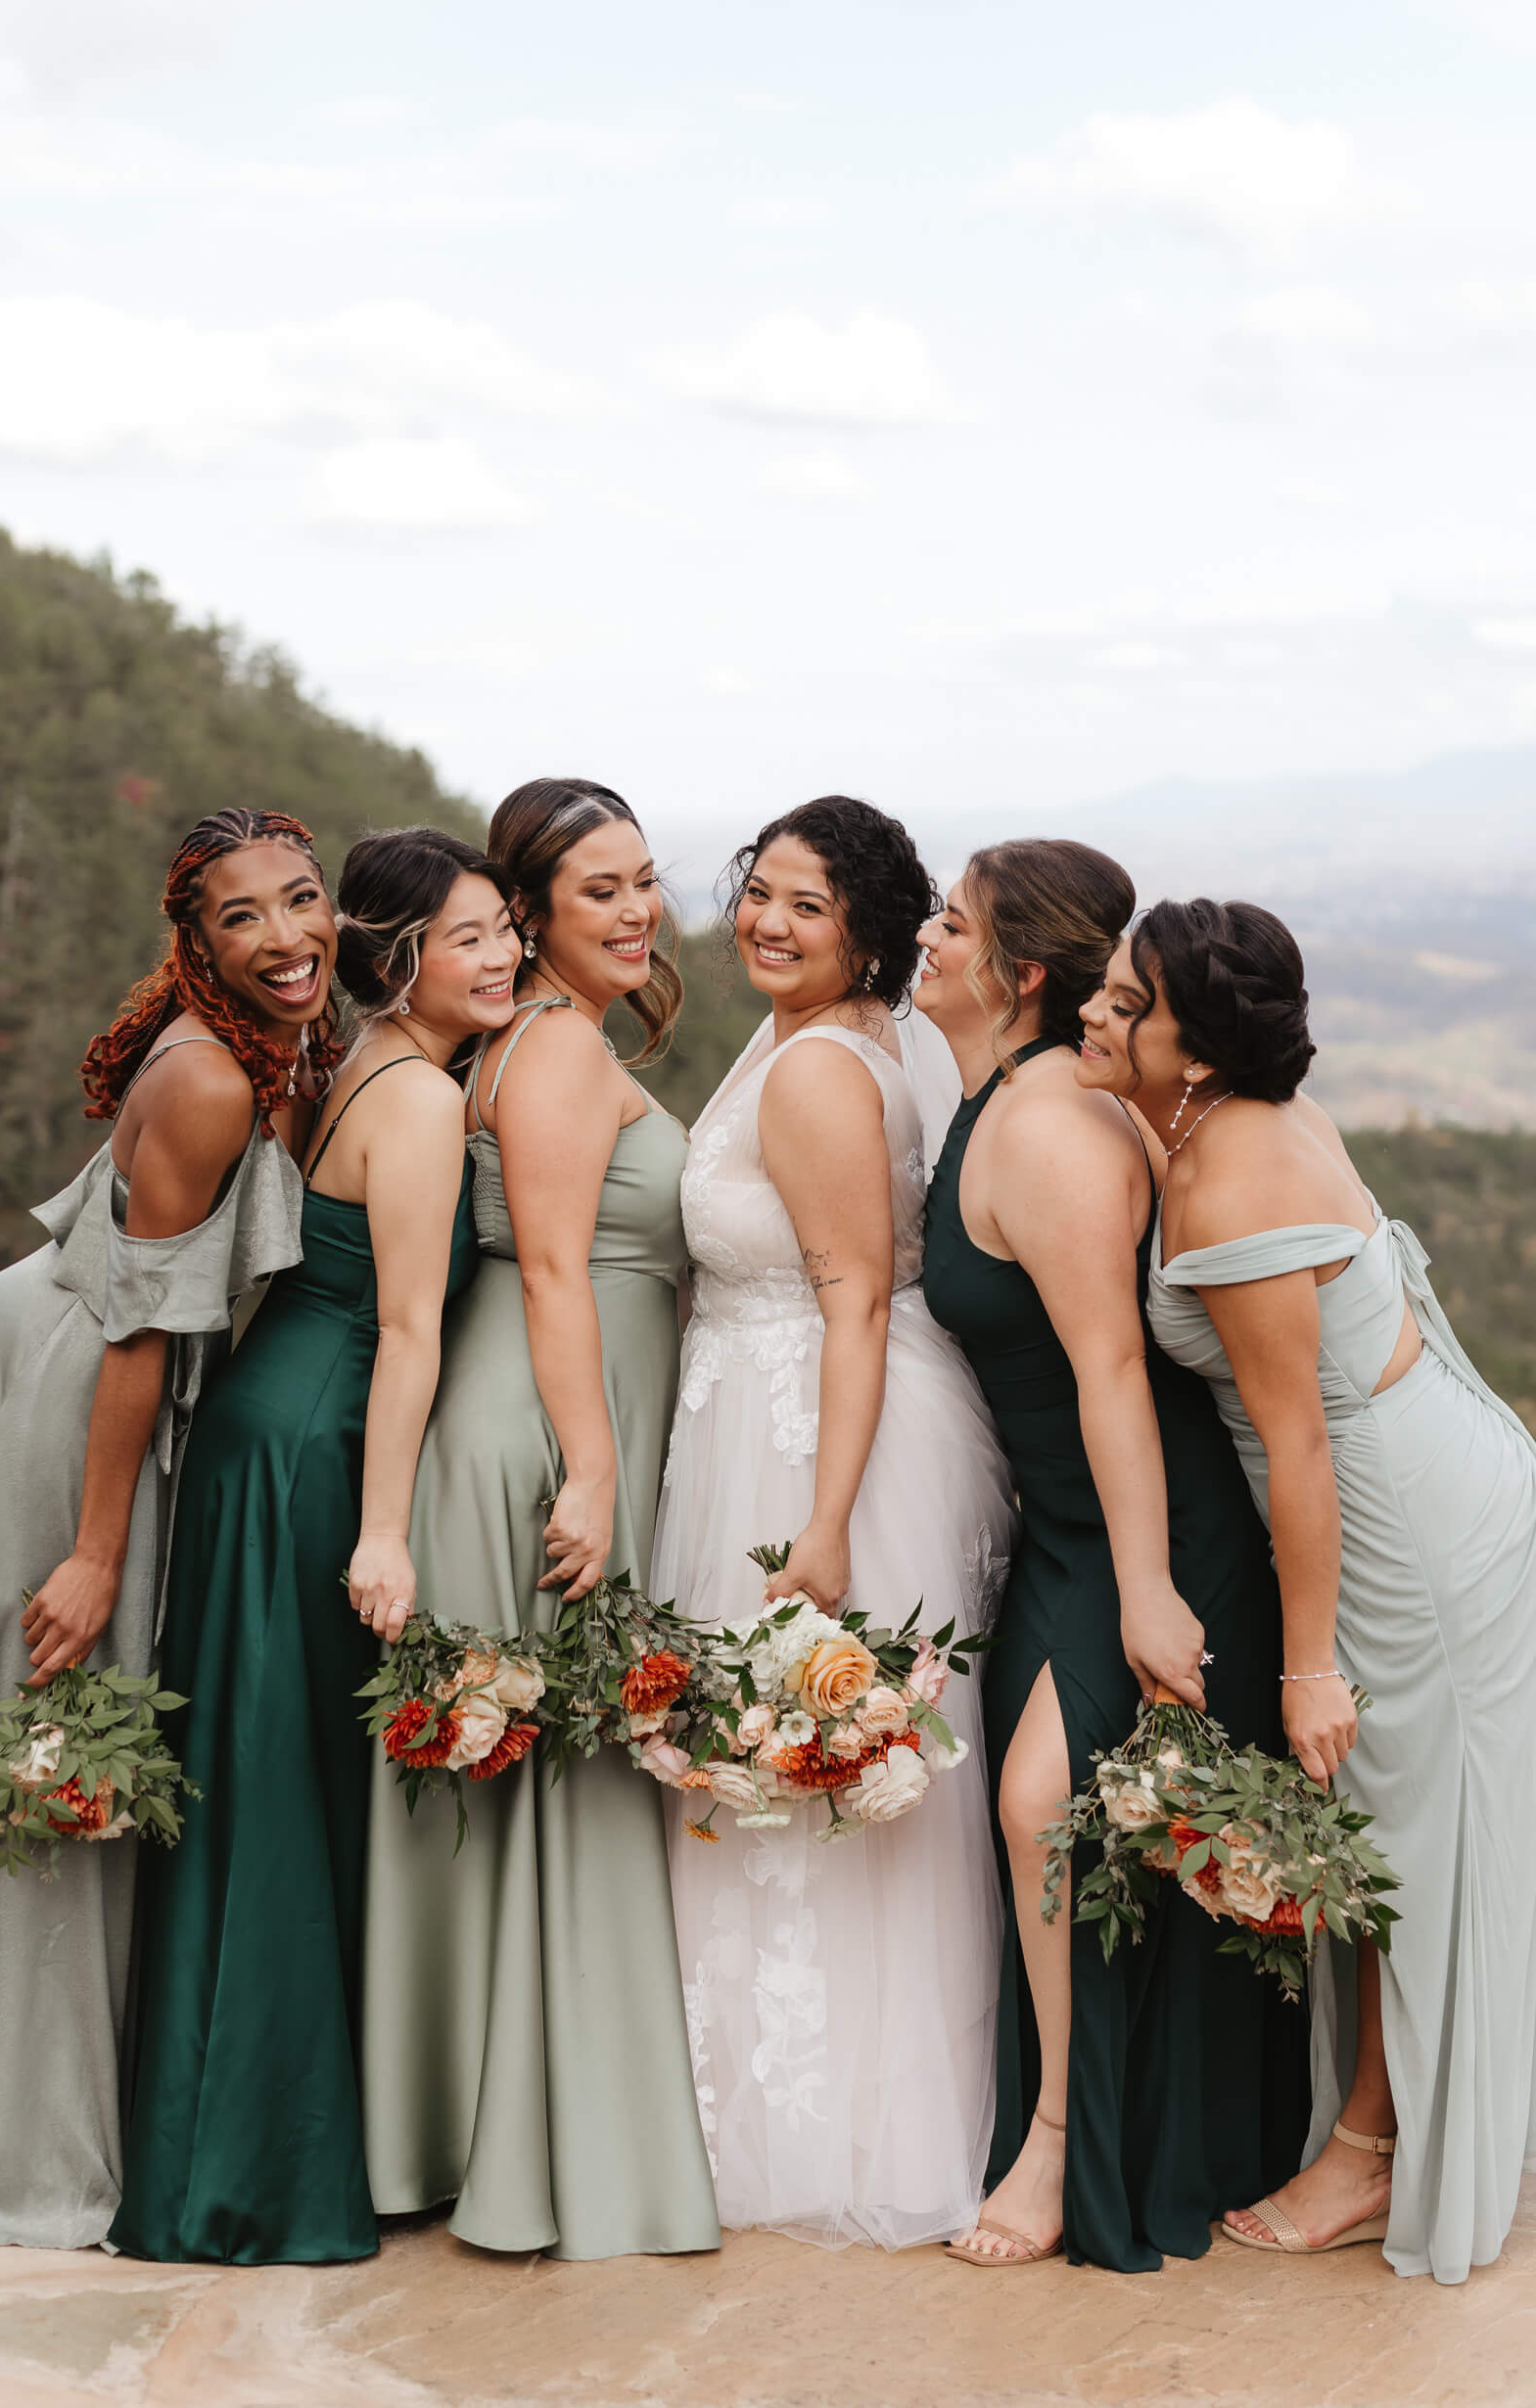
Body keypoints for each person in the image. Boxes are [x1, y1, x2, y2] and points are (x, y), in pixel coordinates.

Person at [0, 807, 335, 2248]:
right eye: (243, 918)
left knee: (67, 1740)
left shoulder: (271, 1041)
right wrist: (93, 1553)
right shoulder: (210, 1080)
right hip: (69, 1388)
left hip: (72, 1359)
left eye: (302, 899)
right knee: (64, 1738)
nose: (286, 939)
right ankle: (30, 2149)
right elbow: (142, 1337)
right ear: (195, 942)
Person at [1099, 896, 1536, 2285]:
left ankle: (1364, 2154)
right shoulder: (1226, 1119)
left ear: (1199, 1045)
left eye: (1128, 1001)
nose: (1103, 1015)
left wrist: (1308, 1667)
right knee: (1416, 1827)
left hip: (1400, 1521)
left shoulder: (1234, 1177)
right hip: (1428, 1470)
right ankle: (1387, 2126)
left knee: (1408, 1840)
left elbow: (1298, 1443)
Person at [111, 828, 517, 2265]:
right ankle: (252, 2180)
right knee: (278, 1809)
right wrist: (388, 1531)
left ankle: (221, 2148)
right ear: (400, 953)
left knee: (262, 1798)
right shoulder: (410, 1103)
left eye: (506, 929)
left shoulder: (359, 1062)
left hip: (270, 1435)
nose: (506, 955)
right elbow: (406, 1326)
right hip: (311, 1457)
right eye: (473, 934)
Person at [916, 841, 1308, 2272]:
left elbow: (1114, 1377)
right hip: (1062, 1527)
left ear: (1017, 969)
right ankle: (1101, 2125)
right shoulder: (989, 1098)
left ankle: (1065, 2143)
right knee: (1053, 1824)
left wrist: (1148, 1588)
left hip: (1153, 1526)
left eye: (948, 924)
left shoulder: (1051, 1130)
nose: (925, 938)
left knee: (1046, 1810)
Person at [360, 779, 720, 2261]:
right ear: (536, 912)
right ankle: (523, 2145)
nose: (637, 911)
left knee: (508, 1783)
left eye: (645, 881)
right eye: (599, 893)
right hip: (540, 1430)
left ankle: (445, 2125)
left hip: (543, 1412)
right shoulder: (561, 1051)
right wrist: (591, 1468)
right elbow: (561, 1272)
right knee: (544, 1779)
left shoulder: (536, 1041)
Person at [656, 796, 1015, 2250]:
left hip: (809, 1430)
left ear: (866, 925)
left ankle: (810, 2136)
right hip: (788, 1402)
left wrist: (823, 1520)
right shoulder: (844, 1042)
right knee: (809, 1778)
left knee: (798, 1760)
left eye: (807, 903)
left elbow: (854, 1294)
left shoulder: (815, 1068)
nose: (768, 923)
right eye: (759, 893)